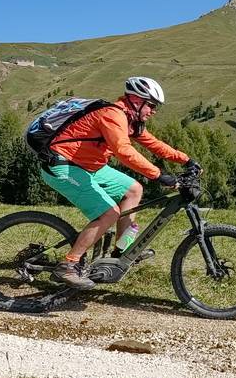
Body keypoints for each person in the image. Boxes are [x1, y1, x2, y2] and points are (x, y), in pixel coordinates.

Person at [41, 77, 191, 289]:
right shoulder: (112, 115)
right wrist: (158, 175)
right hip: (62, 166)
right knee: (109, 213)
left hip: (89, 166)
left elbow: (154, 144)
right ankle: (68, 264)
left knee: (133, 190)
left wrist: (186, 160)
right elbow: (124, 151)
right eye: (151, 105)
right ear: (136, 100)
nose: (153, 111)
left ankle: (122, 251)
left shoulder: (130, 120)